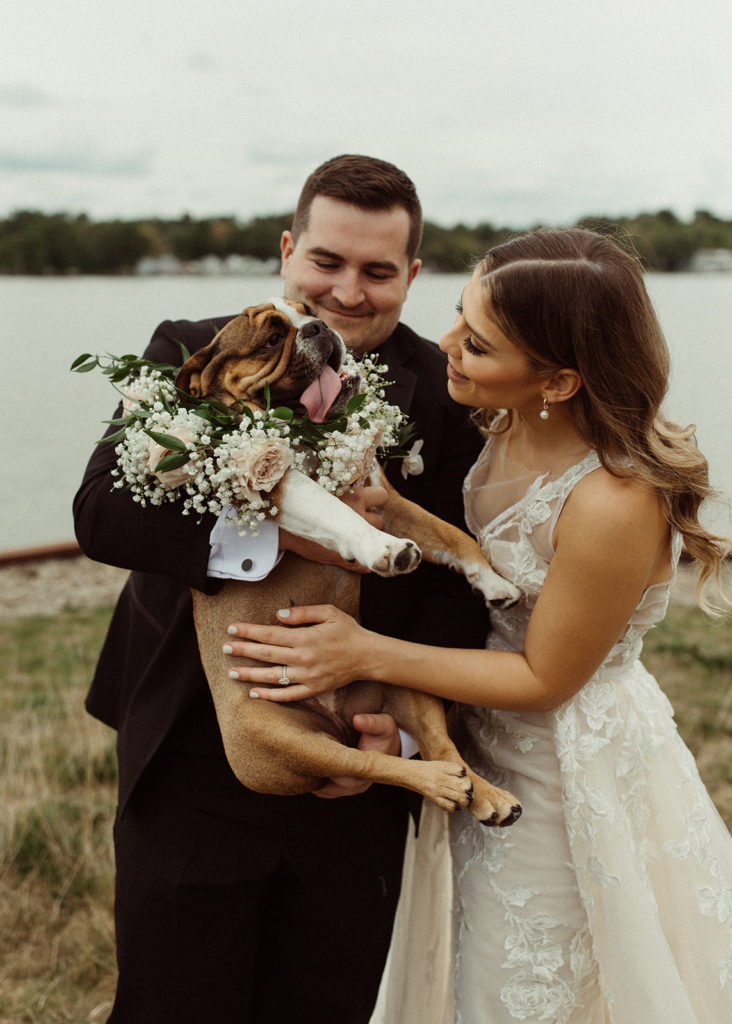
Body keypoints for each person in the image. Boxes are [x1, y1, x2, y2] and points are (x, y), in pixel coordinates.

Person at [223, 227, 732, 1022]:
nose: (448, 344)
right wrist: (388, 510)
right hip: (476, 744)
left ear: (557, 381)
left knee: (530, 986)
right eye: (460, 313)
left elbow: (544, 678)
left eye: (480, 343)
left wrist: (363, 652)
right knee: (461, 971)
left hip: (563, 769)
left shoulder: (612, 502)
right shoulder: (498, 426)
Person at [73, 154, 491, 1024]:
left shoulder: (448, 398)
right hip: (189, 740)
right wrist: (269, 537)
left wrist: (396, 742)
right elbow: (105, 514)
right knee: (173, 999)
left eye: (379, 272)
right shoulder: (188, 346)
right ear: (287, 250)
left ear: (412, 276)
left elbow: (460, 585)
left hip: (358, 763)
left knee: (325, 1000)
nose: (348, 291)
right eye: (326, 263)